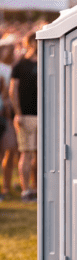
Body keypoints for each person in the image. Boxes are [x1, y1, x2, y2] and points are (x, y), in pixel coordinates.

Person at [9, 31, 38, 202]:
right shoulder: (20, 65)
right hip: (26, 116)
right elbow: (13, 90)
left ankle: (37, 188)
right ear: (30, 43)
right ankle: (26, 190)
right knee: (26, 154)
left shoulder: (47, 64)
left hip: (44, 116)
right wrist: (18, 114)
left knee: (41, 155)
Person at [0, 39, 19, 199]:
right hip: (4, 114)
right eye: (8, 49)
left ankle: (6, 187)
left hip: (7, 115)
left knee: (10, 149)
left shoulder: (11, 68)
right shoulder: (3, 69)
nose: (11, 52)